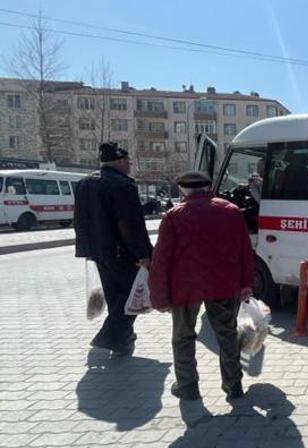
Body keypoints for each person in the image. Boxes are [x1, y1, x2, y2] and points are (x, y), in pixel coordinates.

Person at [149, 171, 254, 401]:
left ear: (183, 190)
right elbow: (245, 250)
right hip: (224, 284)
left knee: (183, 336)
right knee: (227, 334)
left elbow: (161, 259)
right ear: (209, 187)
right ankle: (233, 385)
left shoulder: (174, 215)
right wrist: (246, 282)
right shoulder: (231, 212)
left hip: (185, 287)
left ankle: (187, 387)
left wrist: (159, 297)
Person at [74, 142, 153, 356]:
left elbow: (80, 220)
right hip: (121, 252)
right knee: (132, 295)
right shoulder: (122, 186)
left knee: (115, 295)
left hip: (96, 251)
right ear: (119, 161)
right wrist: (144, 254)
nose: (130, 165)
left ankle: (124, 338)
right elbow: (130, 224)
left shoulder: (84, 183)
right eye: (128, 161)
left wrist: (86, 248)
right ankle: (110, 336)